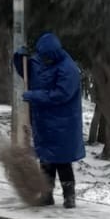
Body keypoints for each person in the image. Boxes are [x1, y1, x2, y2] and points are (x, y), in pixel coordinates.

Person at [14, 32, 86, 208]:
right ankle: (46, 195)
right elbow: (26, 72)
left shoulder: (68, 69)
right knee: (46, 161)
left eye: (46, 56)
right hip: (44, 121)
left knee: (62, 161)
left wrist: (34, 96)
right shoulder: (40, 61)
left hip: (63, 123)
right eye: (41, 55)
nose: (43, 59)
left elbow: (61, 95)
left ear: (53, 53)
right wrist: (18, 57)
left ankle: (69, 196)